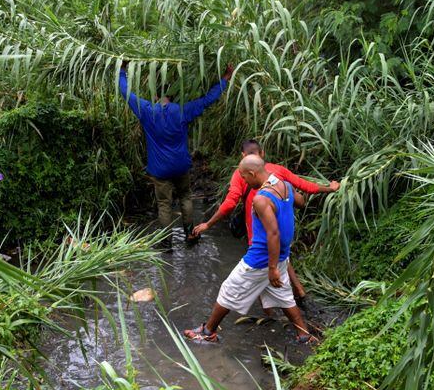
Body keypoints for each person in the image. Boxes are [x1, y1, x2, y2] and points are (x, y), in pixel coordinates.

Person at [183, 154, 316, 344]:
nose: (244, 181)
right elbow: (300, 201)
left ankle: (207, 332)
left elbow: (273, 234)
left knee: (228, 290)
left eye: (244, 177)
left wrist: (271, 269)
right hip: (281, 257)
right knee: (284, 296)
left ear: (253, 173)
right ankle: (304, 335)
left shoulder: (261, 199)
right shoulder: (283, 185)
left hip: (260, 260)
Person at [192, 139, 339, 304]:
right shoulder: (277, 170)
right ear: (262, 154)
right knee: (280, 257)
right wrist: (330, 188)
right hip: (282, 226)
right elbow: (304, 185)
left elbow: (230, 203)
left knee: (263, 263)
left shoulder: (241, 174)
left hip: (257, 231)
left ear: (242, 156)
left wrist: (208, 224)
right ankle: (297, 294)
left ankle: (269, 309)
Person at [119, 61, 233, 246]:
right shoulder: (182, 111)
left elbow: (126, 93)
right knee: (186, 197)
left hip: (160, 169)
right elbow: (207, 100)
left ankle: (166, 243)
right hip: (181, 165)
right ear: (171, 96)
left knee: (164, 204)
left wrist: (122, 70)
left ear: (156, 95)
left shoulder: (147, 111)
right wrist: (225, 79)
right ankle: (190, 234)